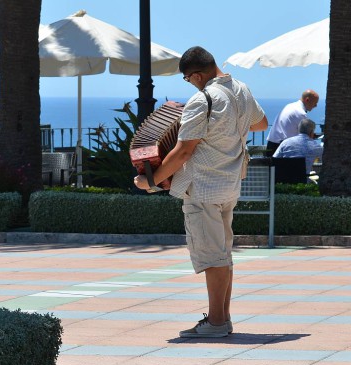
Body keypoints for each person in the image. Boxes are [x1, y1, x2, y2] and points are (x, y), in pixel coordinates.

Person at [134, 46, 267, 338]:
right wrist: (231, 127)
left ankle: (217, 323)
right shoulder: (241, 90)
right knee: (223, 253)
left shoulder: (202, 99)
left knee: (211, 255)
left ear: (195, 75)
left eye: (187, 79)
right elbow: (261, 123)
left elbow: (183, 152)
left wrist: (151, 181)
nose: (190, 83)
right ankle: (223, 318)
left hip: (203, 187)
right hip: (230, 184)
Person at [265, 89, 319, 156]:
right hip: (282, 148)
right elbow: (305, 136)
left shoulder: (290, 106)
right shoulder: (300, 113)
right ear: (307, 100)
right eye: (315, 103)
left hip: (272, 144)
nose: (316, 106)